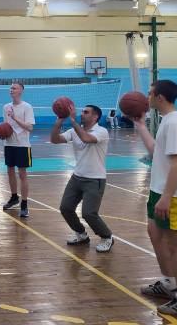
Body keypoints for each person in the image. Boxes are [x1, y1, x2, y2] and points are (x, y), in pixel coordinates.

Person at [130, 80, 177, 315]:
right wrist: (140, 126)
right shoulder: (167, 120)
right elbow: (156, 151)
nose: (146, 97)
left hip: (174, 194)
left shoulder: (175, 123)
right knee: (154, 233)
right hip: (160, 189)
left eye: (150, 93)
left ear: (160, 97)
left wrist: (166, 197)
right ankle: (169, 283)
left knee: (176, 244)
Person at [50, 104, 114, 252]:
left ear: (95, 116)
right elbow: (54, 139)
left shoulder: (101, 131)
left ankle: (107, 237)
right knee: (65, 208)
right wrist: (59, 122)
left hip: (95, 179)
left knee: (88, 213)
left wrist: (72, 121)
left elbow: (86, 138)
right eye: (83, 112)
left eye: (86, 112)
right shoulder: (74, 131)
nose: (82, 114)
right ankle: (81, 234)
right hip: (77, 177)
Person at [1, 82, 35, 217]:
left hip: (22, 145)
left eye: (14, 88)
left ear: (21, 91)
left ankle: (24, 204)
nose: (11, 90)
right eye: (11, 88)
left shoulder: (27, 107)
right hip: (9, 144)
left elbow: (30, 127)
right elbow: (6, 126)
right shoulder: (6, 107)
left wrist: (15, 118)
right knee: (10, 172)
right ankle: (14, 197)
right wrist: (1, 132)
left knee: (22, 174)